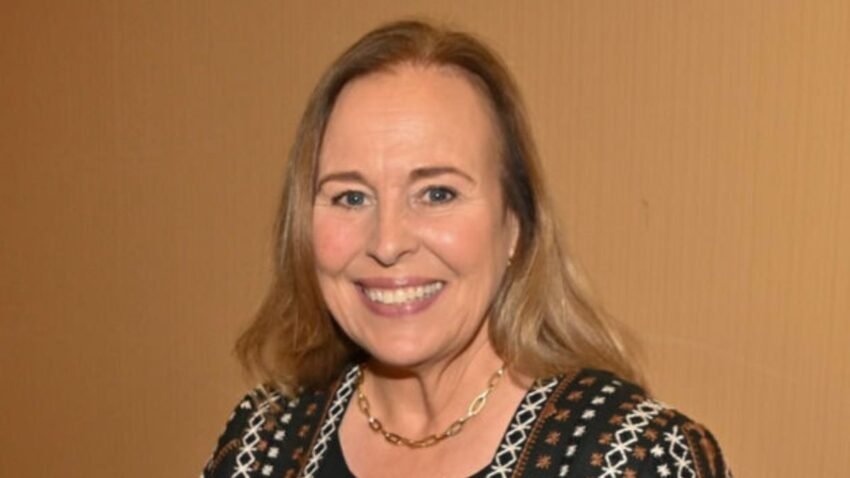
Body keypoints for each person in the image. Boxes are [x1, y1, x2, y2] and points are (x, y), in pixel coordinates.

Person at [202, 20, 732, 478]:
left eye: (438, 194)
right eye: (351, 196)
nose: (387, 242)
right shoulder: (262, 445)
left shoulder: (634, 457)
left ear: (515, 224)